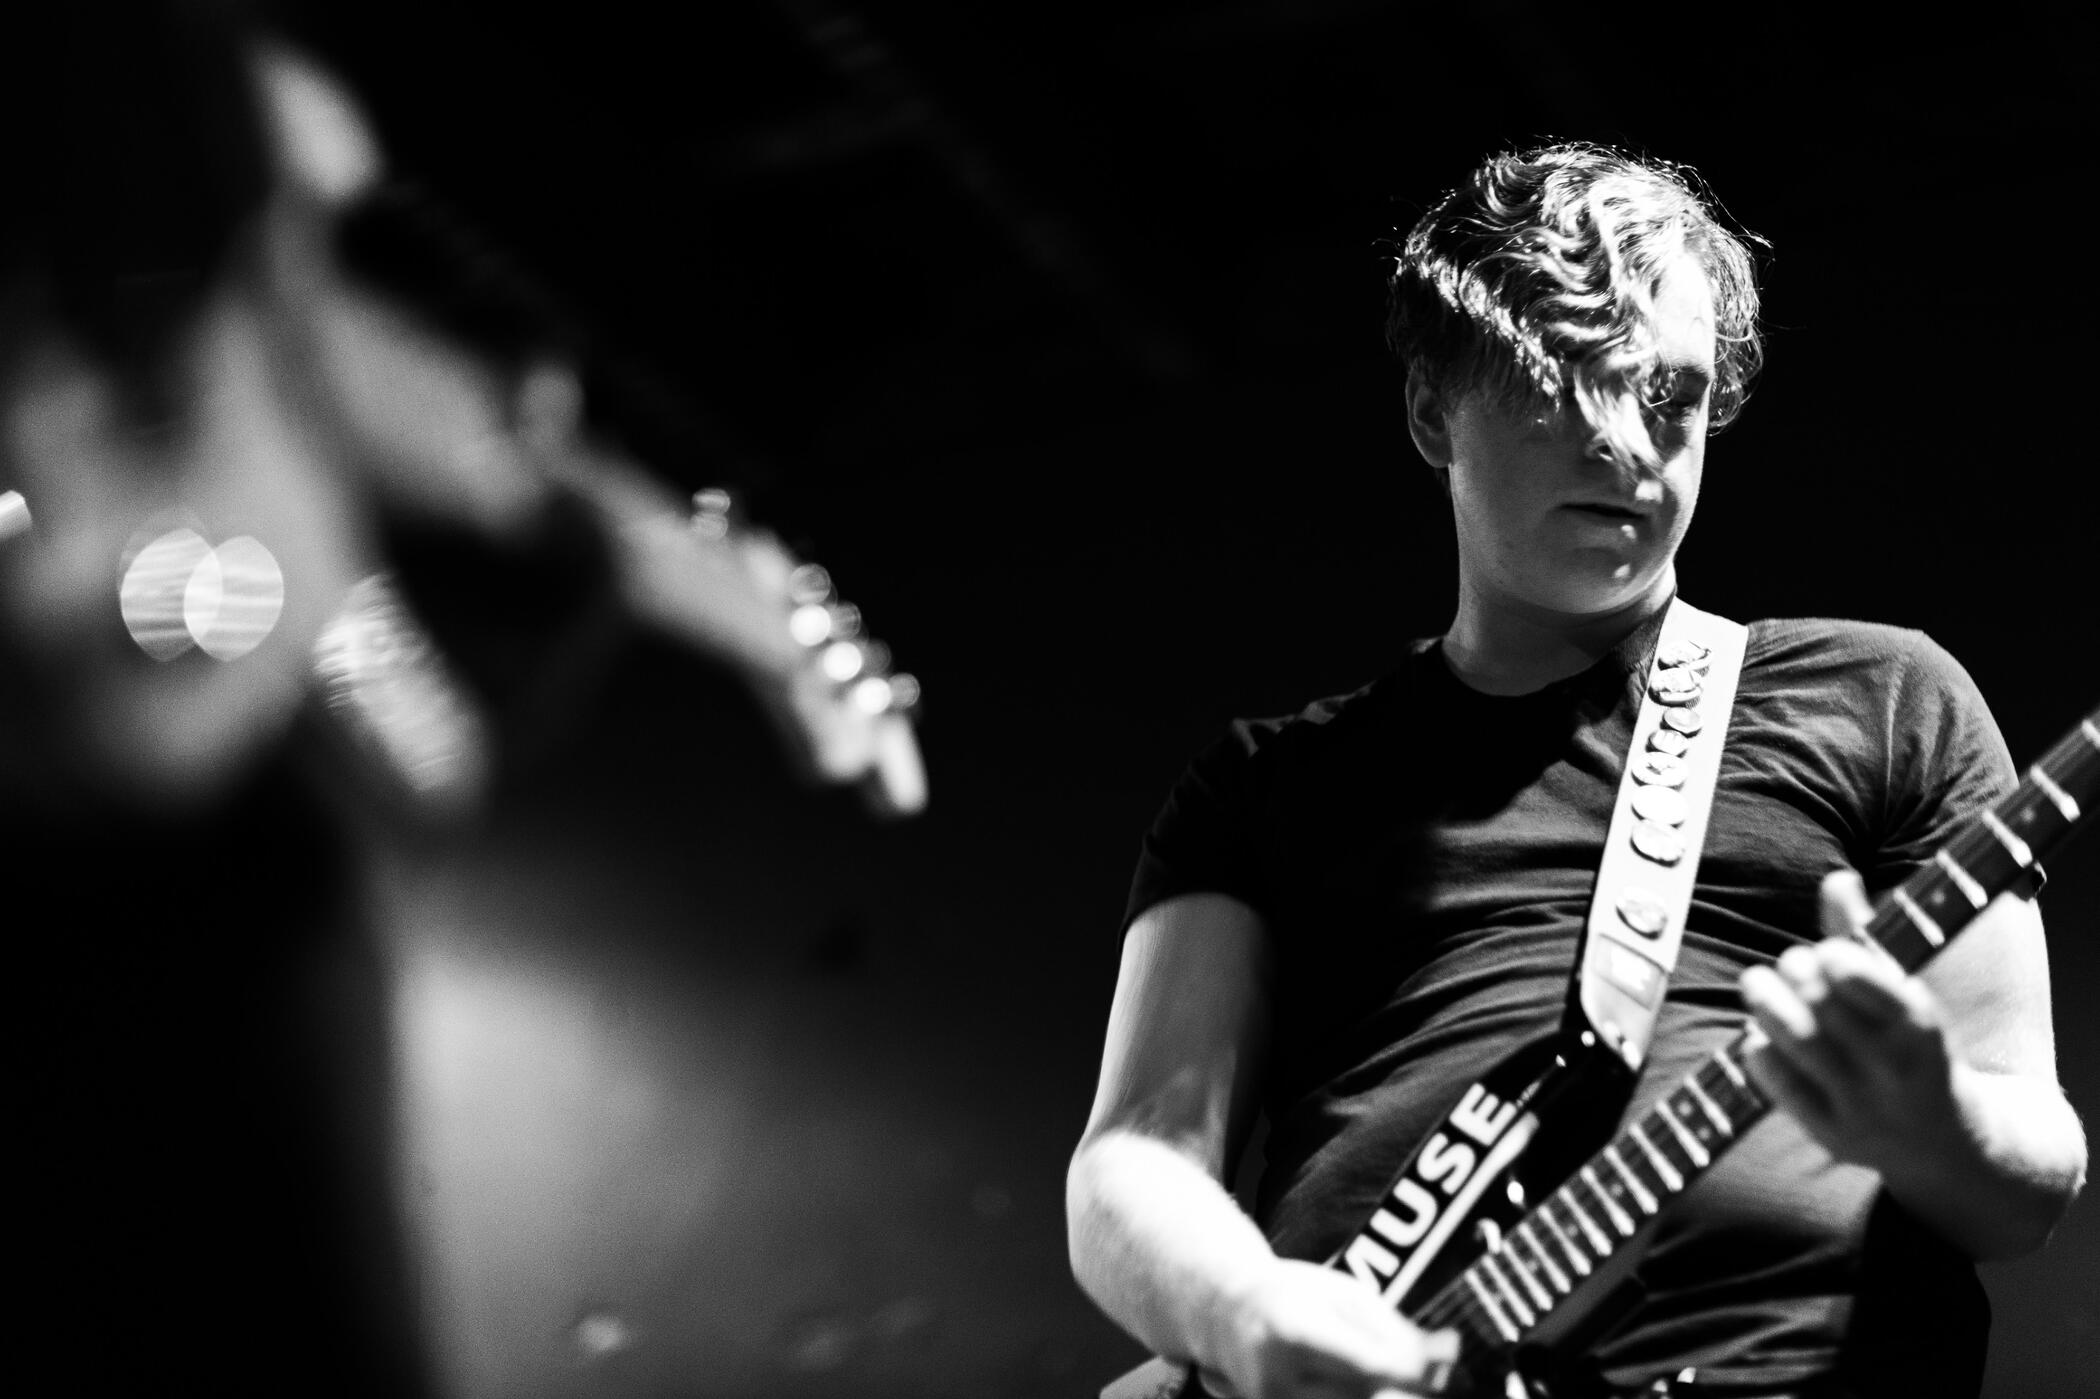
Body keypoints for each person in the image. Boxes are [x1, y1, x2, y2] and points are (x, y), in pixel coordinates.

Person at [1065, 143, 2086, 1398]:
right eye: (1565, 380)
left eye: (1671, 395)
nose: (1625, 441)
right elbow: (1135, 1157)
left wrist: (1930, 1117)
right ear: (1432, 411)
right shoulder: (1262, 786)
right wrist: (1240, 1309)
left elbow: (2026, 1187)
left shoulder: (1886, 695)